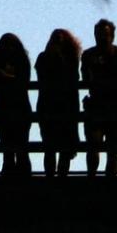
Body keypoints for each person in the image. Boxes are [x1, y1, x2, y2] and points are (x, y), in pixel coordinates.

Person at [81, 19, 117, 176]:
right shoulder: (88, 55)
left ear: (112, 36)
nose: (102, 37)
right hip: (97, 105)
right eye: (99, 34)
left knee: (112, 149)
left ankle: (110, 180)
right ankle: (92, 177)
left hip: (115, 105)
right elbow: (85, 78)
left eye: (105, 34)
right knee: (93, 144)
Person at [35, 29, 82, 176]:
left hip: (63, 106)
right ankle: (52, 177)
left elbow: (73, 77)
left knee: (63, 148)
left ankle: (60, 177)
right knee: (50, 147)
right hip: (52, 105)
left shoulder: (71, 59)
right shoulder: (44, 58)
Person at [0, 32, 32, 178]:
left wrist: (4, 77)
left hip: (11, 107)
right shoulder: (21, 59)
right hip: (14, 107)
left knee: (16, 148)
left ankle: (13, 175)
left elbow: (23, 80)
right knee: (14, 148)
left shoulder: (16, 60)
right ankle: (19, 176)